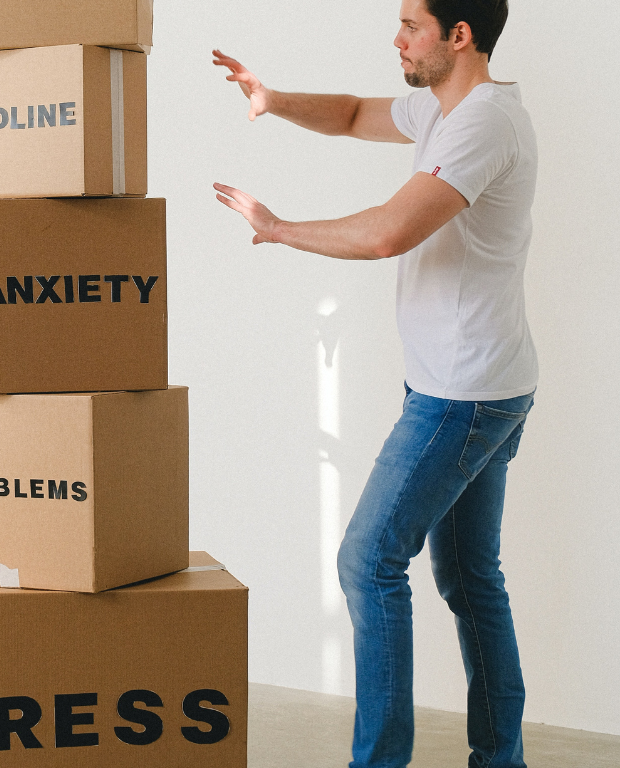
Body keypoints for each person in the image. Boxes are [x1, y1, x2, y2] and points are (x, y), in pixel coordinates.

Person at [213, 1, 537, 766]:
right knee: (470, 577)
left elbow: (392, 230)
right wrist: (273, 98)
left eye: (411, 26)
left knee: (368, 561)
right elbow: (358, 112)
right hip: (478, 381)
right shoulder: (441, 106)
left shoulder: (483, 123)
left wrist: (281, 227)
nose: (397, 40)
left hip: (462, 394)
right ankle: (503, 759)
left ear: (459, 36)